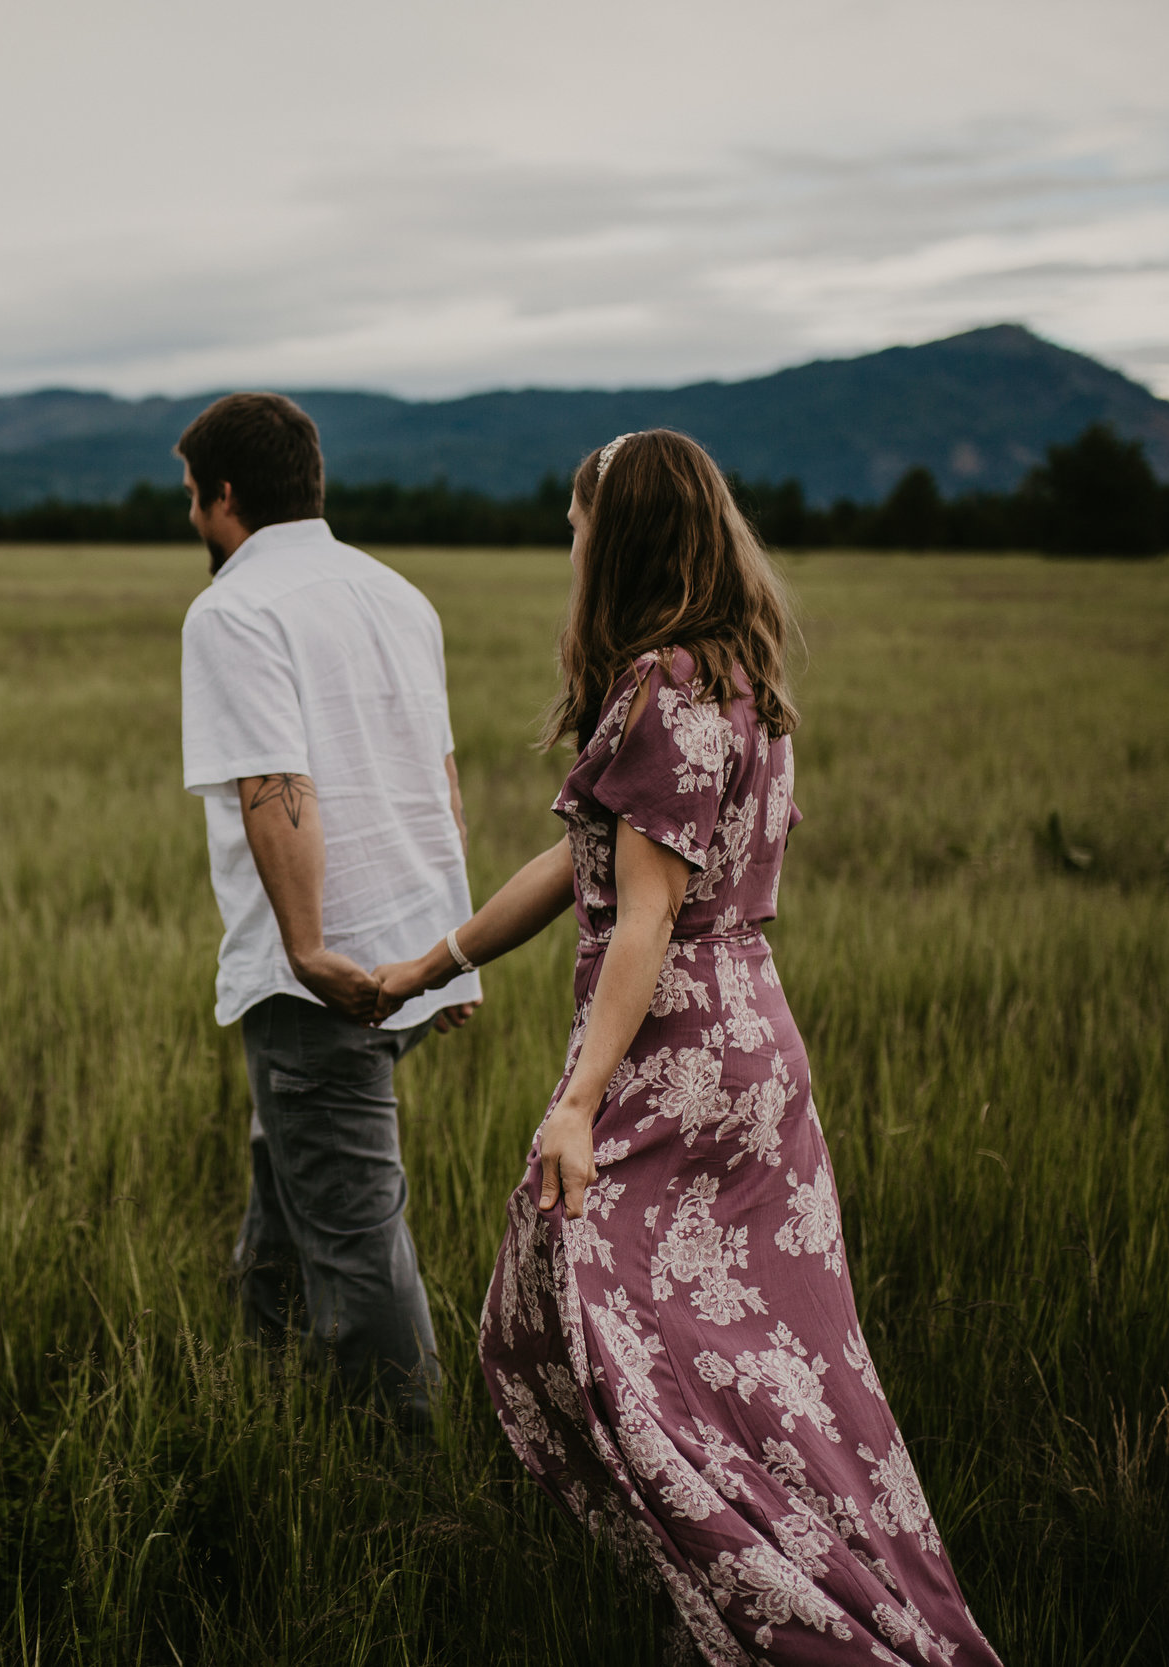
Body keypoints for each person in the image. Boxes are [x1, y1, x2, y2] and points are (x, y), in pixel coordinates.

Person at [374, 431, 1002, 1662]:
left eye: (577, 525)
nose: (569, 546)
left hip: (679, 1051)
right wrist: (430, 961)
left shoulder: (661, 689)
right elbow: (586, 864)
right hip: (757, 1038)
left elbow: (645, 913)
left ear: (617, 540)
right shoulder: (737, 681)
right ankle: (729, 1598)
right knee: (774, 1360)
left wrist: (576, 1100)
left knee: (585, 1327)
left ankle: (787, 1617)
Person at [175, 391, 481, 1430]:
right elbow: (436, 782)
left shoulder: (233, 607)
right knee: (283, 1191)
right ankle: (258, 1398)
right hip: (400, 955)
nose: (190, 521)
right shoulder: (398, 595)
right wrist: (450, 955)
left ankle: (411, 1487)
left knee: (358, 1252)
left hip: (325, 980)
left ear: (223, 495)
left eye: (190, 498)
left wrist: (307, 951)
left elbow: (274, 783)